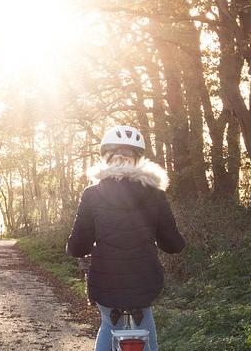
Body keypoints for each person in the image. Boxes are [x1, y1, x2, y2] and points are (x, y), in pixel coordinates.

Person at [67, 125, 186, 351]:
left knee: (108, 324)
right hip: (145, 281)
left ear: (106, 159)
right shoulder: (155, 194)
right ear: (138, 159)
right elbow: (172, 244)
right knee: (147, 324)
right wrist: (178, 243)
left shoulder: (92, 194)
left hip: (105, 283)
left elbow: (78, 245)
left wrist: (74, 248)